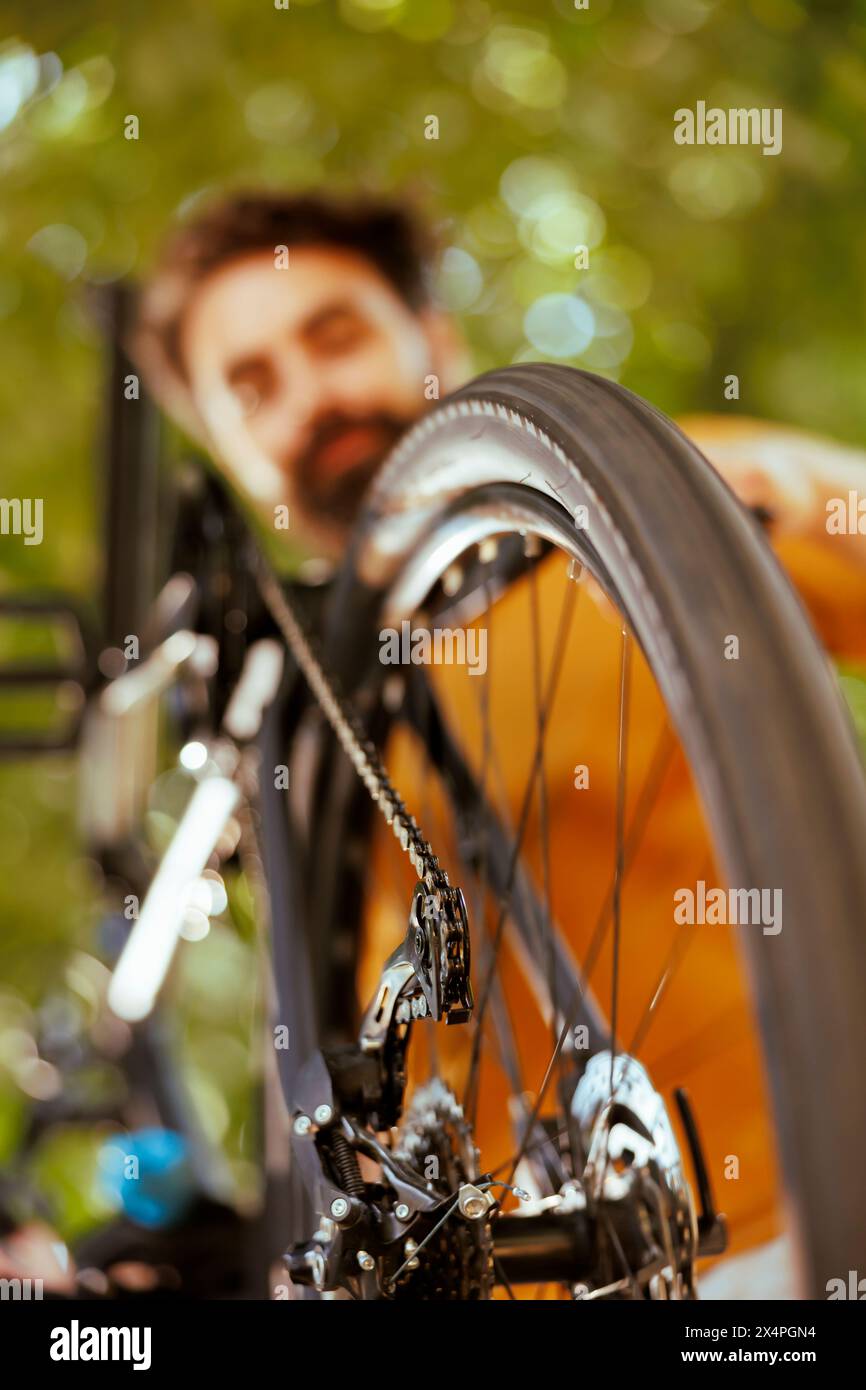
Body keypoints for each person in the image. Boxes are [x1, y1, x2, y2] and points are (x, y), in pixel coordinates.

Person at [134, 189, 866, 1295]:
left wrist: (743, 511)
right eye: (251, 387)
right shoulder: (291, 733)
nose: (310, 395)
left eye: (334, 335)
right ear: (224, 445)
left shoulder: (659, 496)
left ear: (432, 339)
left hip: (807, 1213)